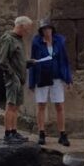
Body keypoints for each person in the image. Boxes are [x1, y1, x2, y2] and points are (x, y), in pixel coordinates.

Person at [29, 17, 72, 147]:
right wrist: (32, 82)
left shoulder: (59, 42)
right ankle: (41, 133)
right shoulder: (37, 43)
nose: (47, 31)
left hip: (56, 77)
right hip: (42, 76)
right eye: (44, 29)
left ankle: (62, 134)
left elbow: (64, 61)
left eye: (48, 29)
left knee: (59, 105)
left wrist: (68, 78)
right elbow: (33, 62)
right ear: (41, 31)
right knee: (41, 105)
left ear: (52, 29)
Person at [0, 15, 34, 141]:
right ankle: (8, 133)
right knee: (11, 105)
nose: (28, 32)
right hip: (13, 78)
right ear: (20, 26)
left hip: (19, 78)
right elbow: (3, 60)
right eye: (27, 29)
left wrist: (28, 63)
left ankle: (14, 131)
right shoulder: (8, 39)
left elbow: (18, 60)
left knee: (16, 105)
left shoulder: (19, 40)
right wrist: (12, 75)